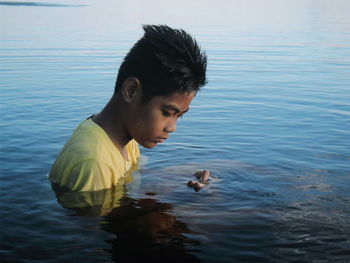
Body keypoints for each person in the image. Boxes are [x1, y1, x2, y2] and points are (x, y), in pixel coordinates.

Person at [49, 24, 209, 193]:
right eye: (167, 113)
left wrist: (183, 180)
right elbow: (94, 220)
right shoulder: (94, 164)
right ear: (131, 91)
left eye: (179, 116)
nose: (172, 128)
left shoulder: (123, 136)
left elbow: (127, 176)